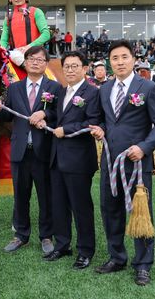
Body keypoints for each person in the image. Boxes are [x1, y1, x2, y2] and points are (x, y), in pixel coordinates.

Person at [89, 39, 155, 287]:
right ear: (109, 63)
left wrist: (143, 148)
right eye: (115, 58)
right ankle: (117, 257)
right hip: (110, 162)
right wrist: (99, 130)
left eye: (124, 57)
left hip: (137, 164)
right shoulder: (104, 89)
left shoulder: (148, 87)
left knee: (141, 214)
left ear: (134, 59)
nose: (120, 62)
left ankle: (143, 264)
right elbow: (102, 121)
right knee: (110, 210)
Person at [0, 46, 62, 255]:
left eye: (40, 59)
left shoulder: (54, 88)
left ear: (46, 64)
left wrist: (45, 115)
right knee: (20, 195)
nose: (35, 62)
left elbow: (60, 114)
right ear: (26, 62)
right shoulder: (14, 89)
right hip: (20, 151)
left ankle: (46, 236)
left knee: (45, 195)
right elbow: (7, 118)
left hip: (44, 151)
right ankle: (21, 235)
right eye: (31, 59)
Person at [47, 51, 99, 269]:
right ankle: (63, 244)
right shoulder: (61, 91)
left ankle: (85, 250)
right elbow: (57, 116)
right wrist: (43, 116)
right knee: (58, 204)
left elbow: (93, 122)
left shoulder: (92, 93)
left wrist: (66, 129)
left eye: (74, 66)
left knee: (81, 207)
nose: (69, 70)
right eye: (66, 66)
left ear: (84, 69)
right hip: (57, 157)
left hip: (79, 160)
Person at [0, 0, 51, 66]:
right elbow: (3, 41)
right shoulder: (8, 18)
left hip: (35, 53)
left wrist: (29, 47)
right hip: (15, 55)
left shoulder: (36, 12)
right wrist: (0, 50)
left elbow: (46, 34)